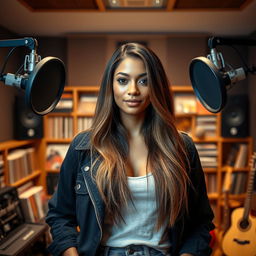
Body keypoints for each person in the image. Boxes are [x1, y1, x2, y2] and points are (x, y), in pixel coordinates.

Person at [46, 43, 215, 256]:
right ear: (111, 85)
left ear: (157, 86)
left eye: (144, 81)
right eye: (123, 80)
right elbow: (60, 215)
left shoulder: (182, 148)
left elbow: (200, 223)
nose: (133, 90)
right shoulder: (84, 147)